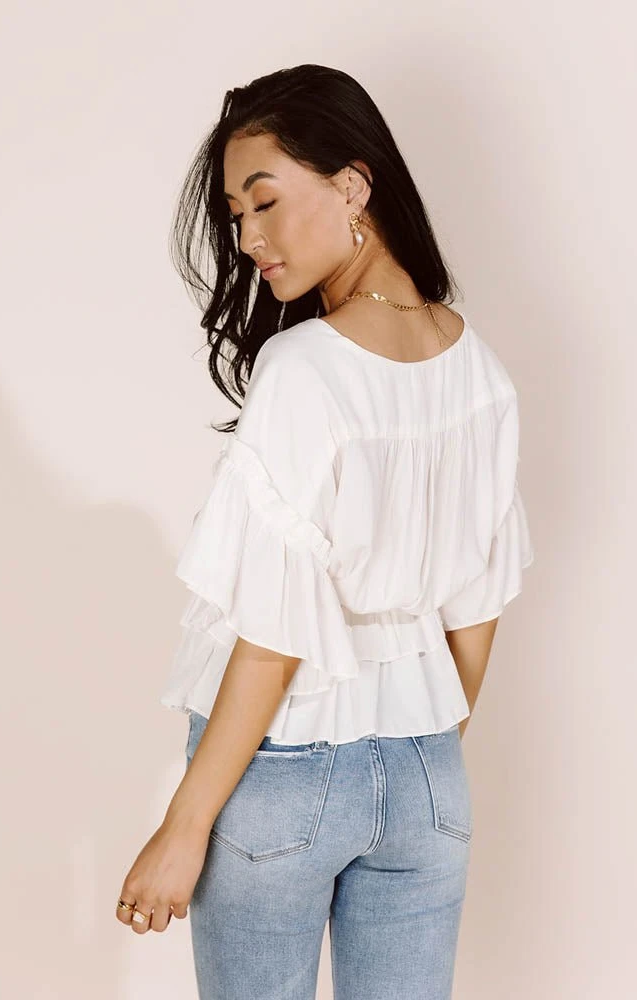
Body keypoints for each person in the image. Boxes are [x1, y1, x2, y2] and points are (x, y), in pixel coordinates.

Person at [115, 64, 534, 999]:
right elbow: (476, 614)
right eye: (235, 216)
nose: (248, 238)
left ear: (352, 184)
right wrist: (415, 754)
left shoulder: (305, 367)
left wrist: (183, 828)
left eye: (263, 202)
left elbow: (272, 640)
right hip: (430, 779)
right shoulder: (480, 371)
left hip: (283, 775)